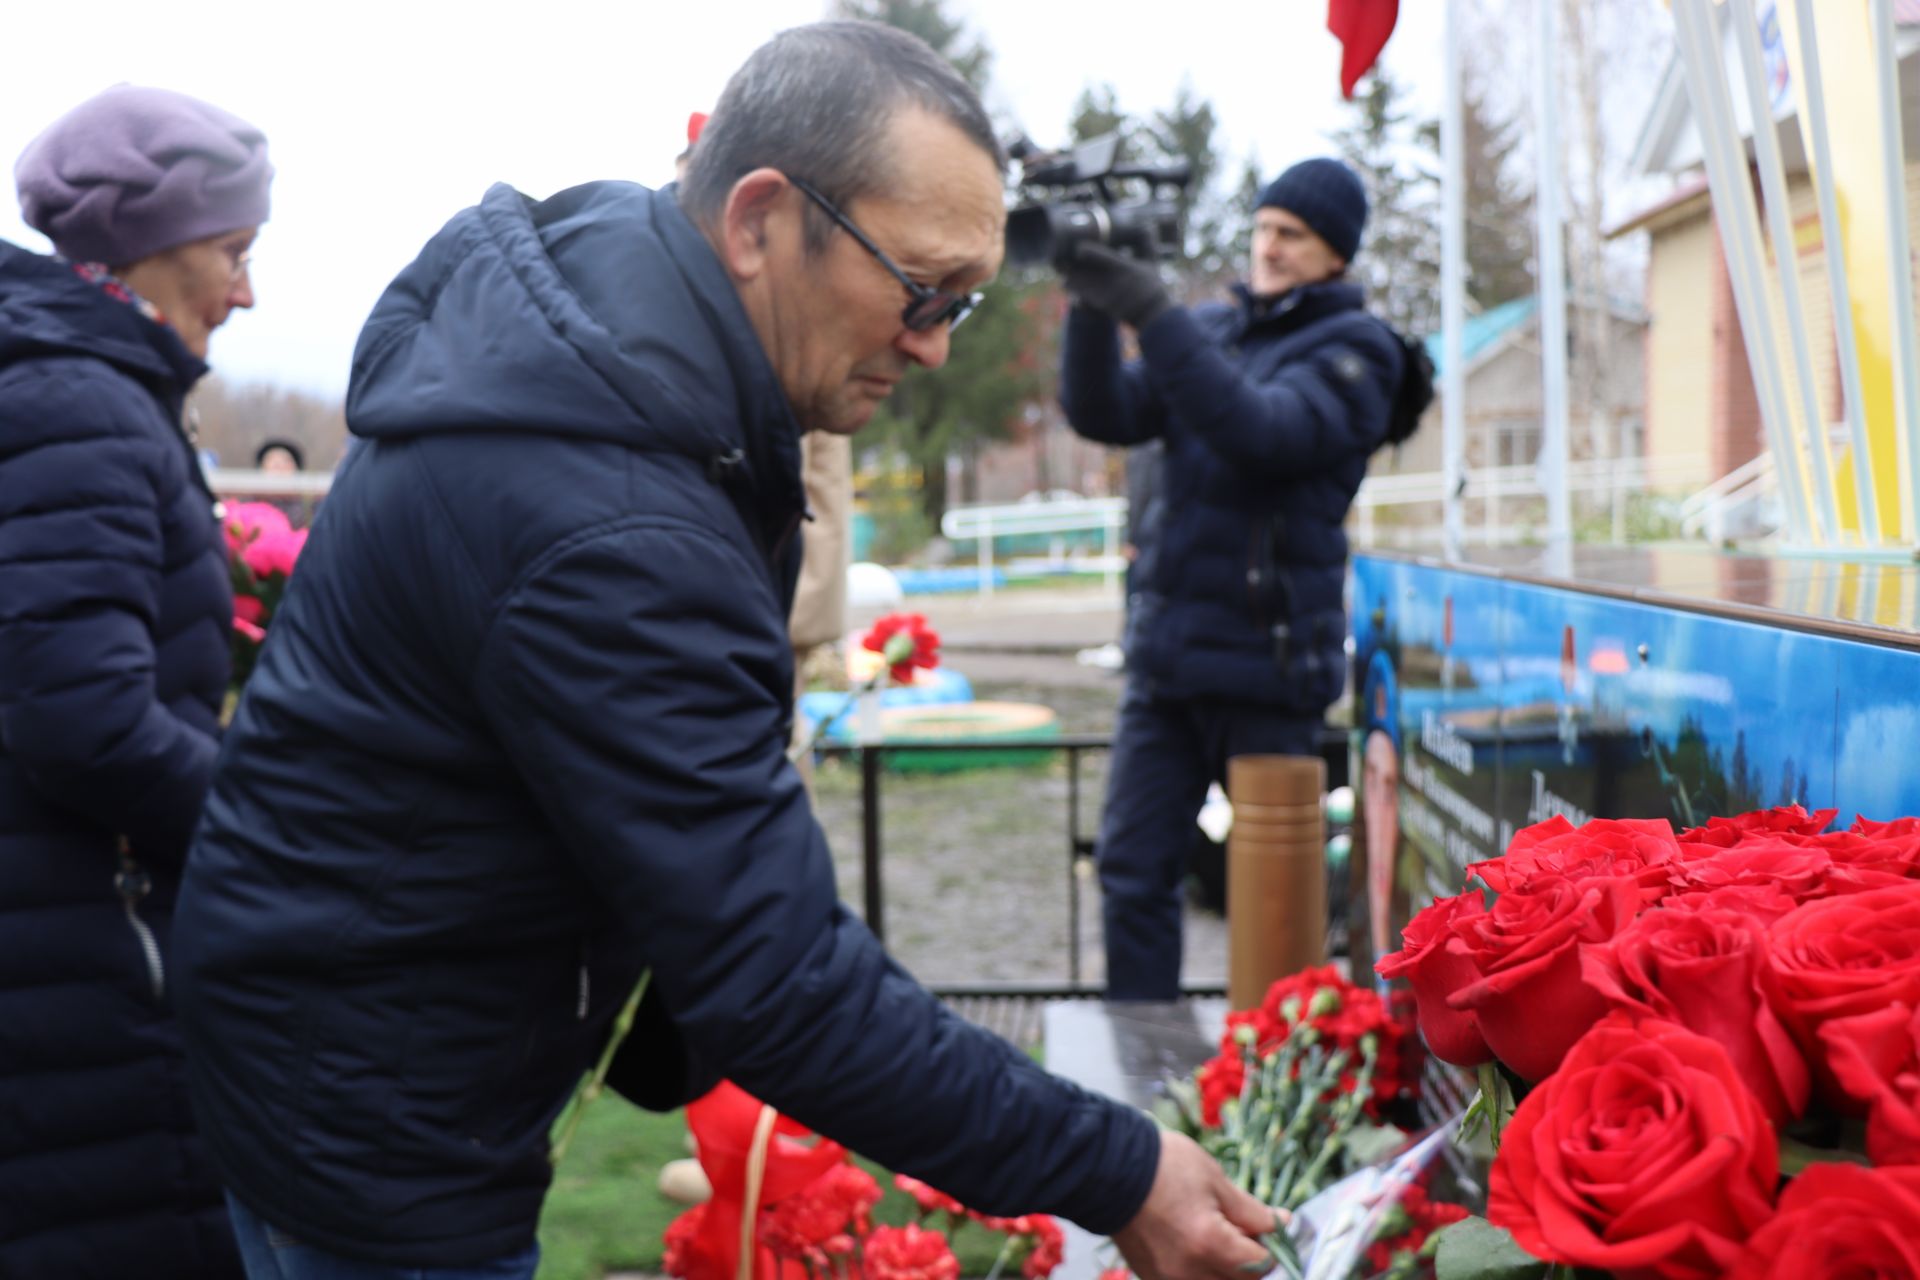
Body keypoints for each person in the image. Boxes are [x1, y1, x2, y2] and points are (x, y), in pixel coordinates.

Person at [173, 22, 1274, 1280]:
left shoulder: (606, 362)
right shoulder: (610, 515)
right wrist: (1121, 1167)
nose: (936, 345)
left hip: (345, 1017)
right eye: (920, 290)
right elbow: (784, 979)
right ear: (758, 220)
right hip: (373, 1101)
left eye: (965, 300)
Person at [0, 84, 269, 1277]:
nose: (247, 290)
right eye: (232, 250)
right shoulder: (80, 402)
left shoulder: (82, 388)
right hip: (85, 966)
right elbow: (85, 717)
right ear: (149, 250)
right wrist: (280, 825)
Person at [1057, 158, 1407, 1001]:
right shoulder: (1212, 331)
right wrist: (1091, 301)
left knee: (1272, 900)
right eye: (1263, 229)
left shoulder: (1359, 352)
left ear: (1336, 255)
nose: (1270, 247)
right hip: (1168, 666)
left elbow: (1263, 431)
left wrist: (1149, 308)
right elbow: (1102, 411)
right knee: (1132, 875)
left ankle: (1273, 1079)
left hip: (1270, 674)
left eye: (1292, 235)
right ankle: (1145, 1072)